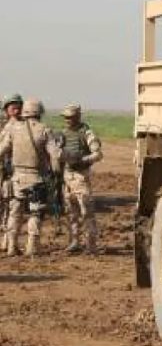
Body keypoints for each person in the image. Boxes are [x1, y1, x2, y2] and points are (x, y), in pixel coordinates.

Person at [0, 97, 57, 257]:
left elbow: (2, 150)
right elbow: (55, 156)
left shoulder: (13, 129)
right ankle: (32, 246)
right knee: (35, 213)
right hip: (36, 178)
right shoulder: (45, 130)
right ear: (39, 112)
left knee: (14, 212)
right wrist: (55, 173)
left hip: (17, 178)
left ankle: (11, 246)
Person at [56, 104, 102, 254]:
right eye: (66, 117)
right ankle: (74, 241)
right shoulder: (63, 134)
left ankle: (91, 245)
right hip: (67, 176)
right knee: (71, 212)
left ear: (77, 117)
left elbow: (98, 154)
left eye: (70, 117)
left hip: (81, 176)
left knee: (86, 211)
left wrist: (83, 160)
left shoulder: (87, 133)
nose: (67, 120)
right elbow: (58, 153)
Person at [0, 92, 23, 248]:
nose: (16, 110)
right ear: (6, 110)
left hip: (13, 172)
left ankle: (7, 240)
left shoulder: (25, 127)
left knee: (11, 207)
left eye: (18, 107)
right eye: (13, 107)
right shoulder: (4, 127)